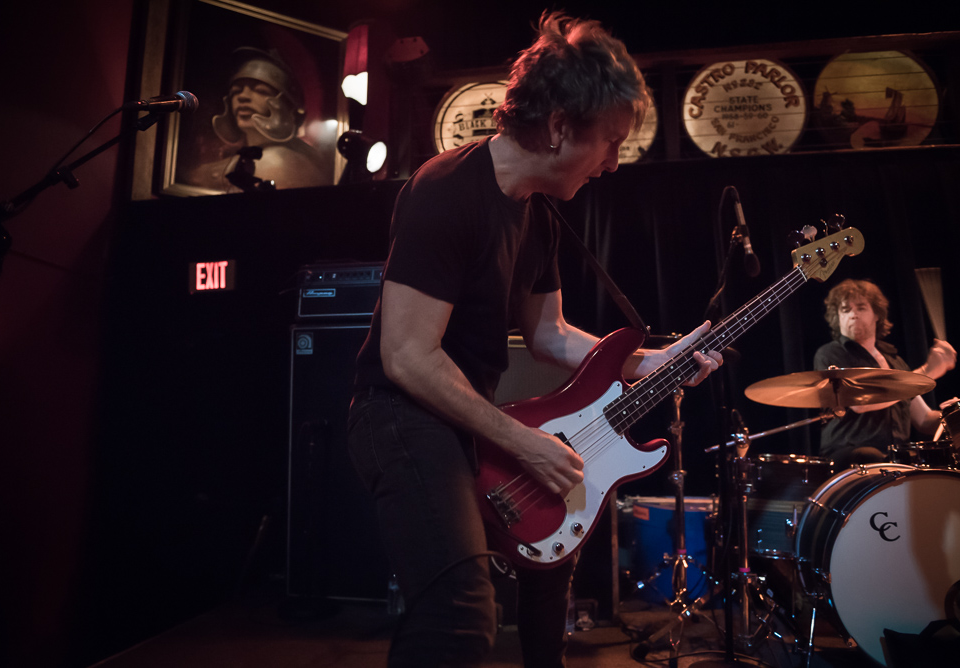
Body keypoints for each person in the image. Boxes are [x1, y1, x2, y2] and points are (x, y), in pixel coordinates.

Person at [346, 12, 722, 668]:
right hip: (400, 418)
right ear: (556, 129)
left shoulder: (538, 212)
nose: (611, 164)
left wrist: (649, 363)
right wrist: (522, 441)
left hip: (465, 418)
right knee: (461, 611)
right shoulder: (445, 192)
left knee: (552, 575)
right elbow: (407, 356)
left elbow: (548, 335)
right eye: (609, 142)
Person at [814, 278, 957, 467]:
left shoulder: (895, 361)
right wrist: (925, 374)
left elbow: (923, 419)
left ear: (877, 315)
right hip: (849, 454)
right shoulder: (831, 353)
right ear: (837, 318)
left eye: (861, 308)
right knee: (870, 455)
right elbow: (860, 403)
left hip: (893, 457)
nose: (853, 315)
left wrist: (956, 414)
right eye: (845, 310)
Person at [185, 47, 332, 192]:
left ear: (286, 104)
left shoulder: (282, 161)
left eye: (261, 91)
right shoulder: (238, 159)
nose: (242, 97)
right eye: (236, 91)